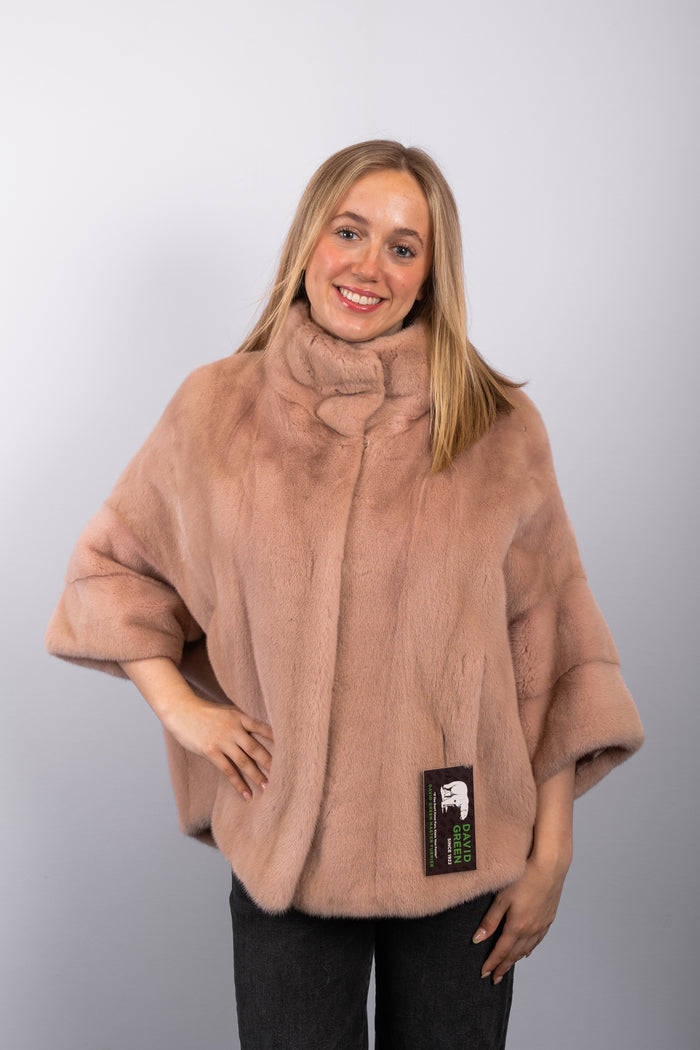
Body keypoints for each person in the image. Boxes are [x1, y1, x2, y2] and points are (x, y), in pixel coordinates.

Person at [45, 140, 644, 1049]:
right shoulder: (216, 410)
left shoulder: (495, 425)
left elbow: (548, 644)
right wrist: (183, 710)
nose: (370, 267)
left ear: (430, 276)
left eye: (404, 248)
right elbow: (116, 569)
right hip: (285, 846)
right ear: (309, 241)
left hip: (458, 841)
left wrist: (552, 851)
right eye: (350, 232)